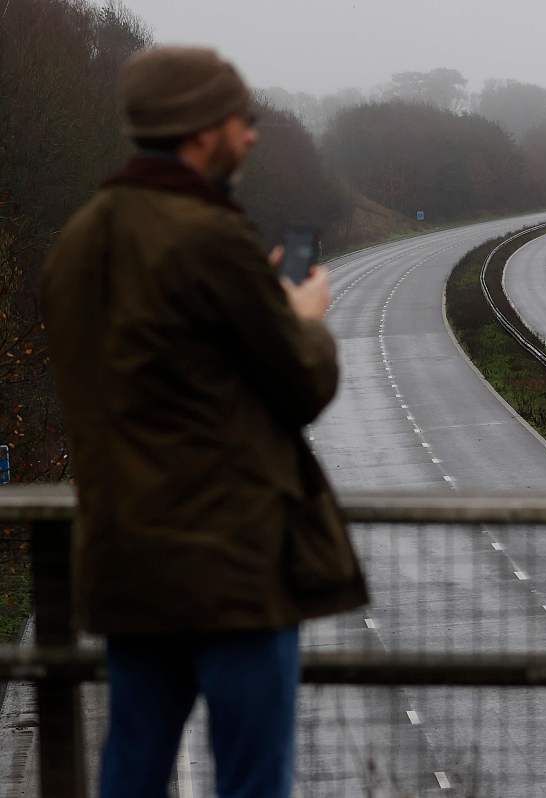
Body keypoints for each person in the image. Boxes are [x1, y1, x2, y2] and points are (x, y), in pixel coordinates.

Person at [40, 46, 368, 798]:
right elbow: (301, 382)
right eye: (238, 121)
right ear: (199, 131)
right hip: (232, 570)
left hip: (126, 560)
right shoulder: (210, 237)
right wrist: (305, 318)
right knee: (253, 779)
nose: (250, 136)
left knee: (131, 767)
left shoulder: (81, 237)